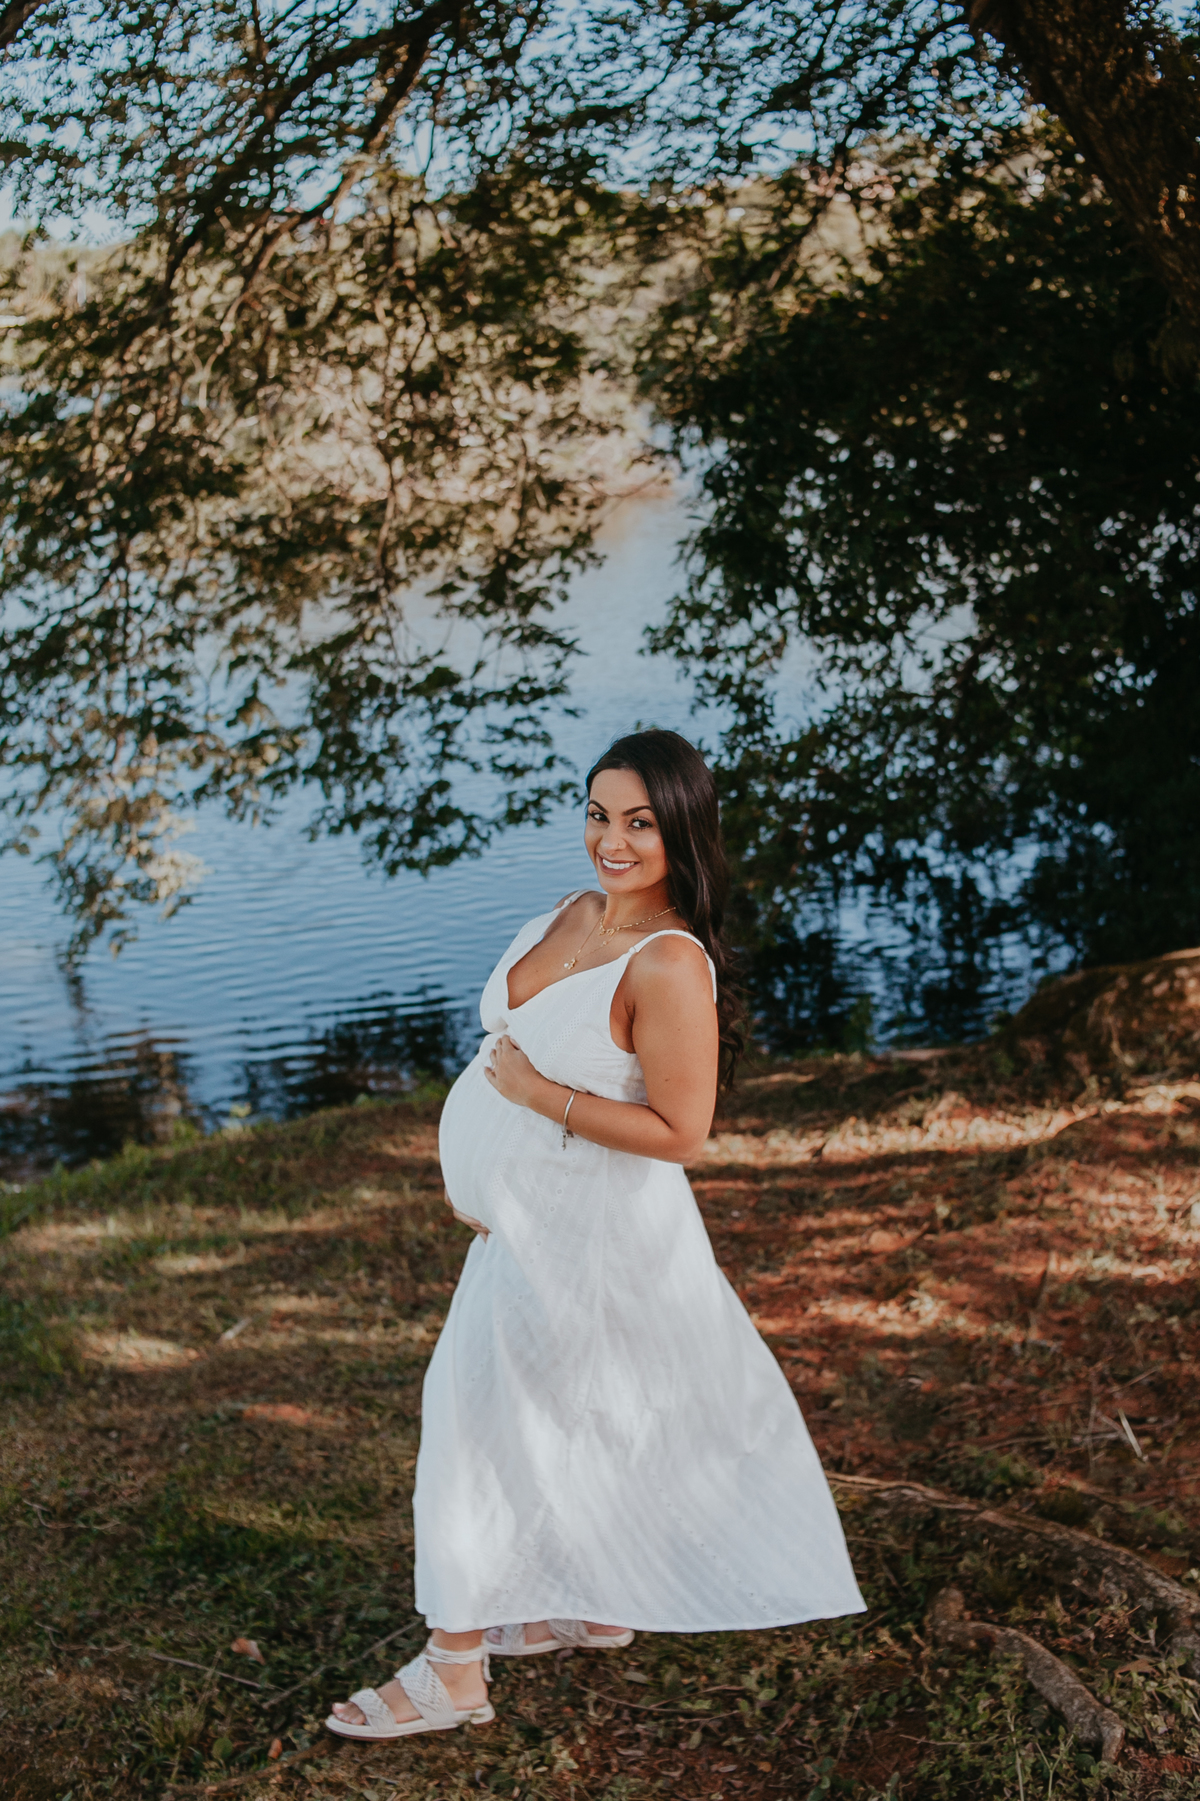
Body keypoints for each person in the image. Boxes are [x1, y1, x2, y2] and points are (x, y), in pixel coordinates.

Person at [327, 729, 863, 1741]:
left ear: (683, 832)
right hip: (527, 1225)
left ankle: (453, 1671)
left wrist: (536, 1096)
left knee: (472, 1409)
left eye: (640, 822)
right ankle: (595, 1597)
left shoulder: (667, 964)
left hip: (592, 1232)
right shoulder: (577, 912)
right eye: (598, 814)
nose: (611, 841)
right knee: (562, 1407)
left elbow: (683, 1131)